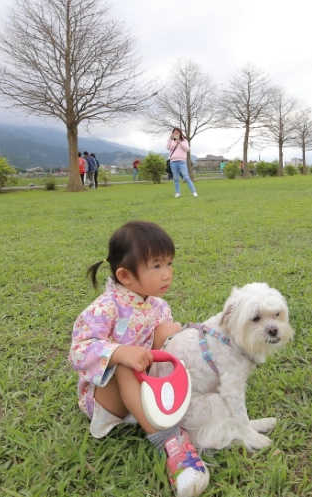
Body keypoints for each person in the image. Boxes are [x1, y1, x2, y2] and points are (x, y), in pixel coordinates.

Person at [69, 221, 209, 497]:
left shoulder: (159, 306)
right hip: (110, 398)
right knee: (123, 364)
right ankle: (170, 442)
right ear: (125, 275)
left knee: (171, 331)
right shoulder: (103, 308)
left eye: (169, 263)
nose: (167, 274)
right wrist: (120, 352)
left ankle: (175, 404)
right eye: (156, 266)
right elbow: (78, 351)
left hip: (145, 388)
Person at [166, 128, 197, 197]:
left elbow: (187, 149)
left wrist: (180, 143)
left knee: (186, 177)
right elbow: (168, 148)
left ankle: (194, 191)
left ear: (180, 133)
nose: (176, 134)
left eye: (177, 133)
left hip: (182, 161)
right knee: (176, 178)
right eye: (175, 133)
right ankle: (178, 193)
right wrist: (170, 139)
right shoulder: (171, 141)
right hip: (173, 161)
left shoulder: (184, 140)